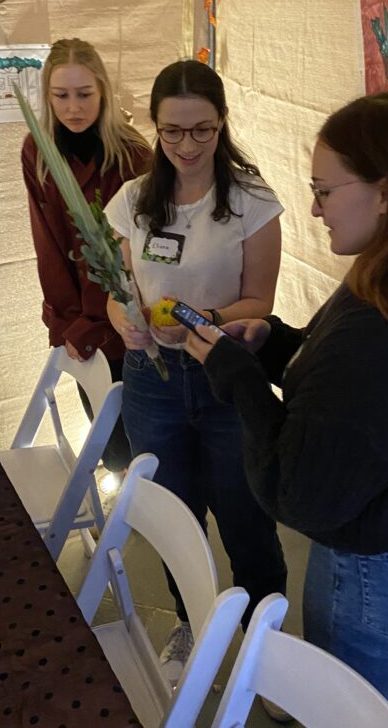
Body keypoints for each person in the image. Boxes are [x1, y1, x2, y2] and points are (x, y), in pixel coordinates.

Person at [185, 92, 388, 727]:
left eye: (324, 190)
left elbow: (298, 494)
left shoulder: (379, 329)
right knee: (363, 686)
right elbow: (347, 406)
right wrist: (276, 344)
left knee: (359, 707)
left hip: (373, 565)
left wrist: (235, 378)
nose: (314, 209)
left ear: (385, 192)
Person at [104, 59, 287, 685]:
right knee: (175, 517)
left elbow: (259, 301)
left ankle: (266, 652)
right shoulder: (133, 200)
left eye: (201, 131)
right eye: (172, 132)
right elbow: (119, 288)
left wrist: (198, 320)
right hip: (152, 379)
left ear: (222, 124)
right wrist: (122, 319)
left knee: (246, 516)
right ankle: (189, 624)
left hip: (226, 378)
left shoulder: (252, 201)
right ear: (155, 129)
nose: (186, 146)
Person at [22, 38, 150, 473]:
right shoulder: (37, 151)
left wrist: (107, 316)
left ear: (103, 93)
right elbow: (50, 246)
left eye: (84, 95)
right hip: (79, 317)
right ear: (46, 96)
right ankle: (127, 510)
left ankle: (159, 514)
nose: (73, 107)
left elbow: (135, 252)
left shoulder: (133, 154)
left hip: (128, 313)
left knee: (145, 431)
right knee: (109, 438)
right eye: (61, 96)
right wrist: (71, 323)